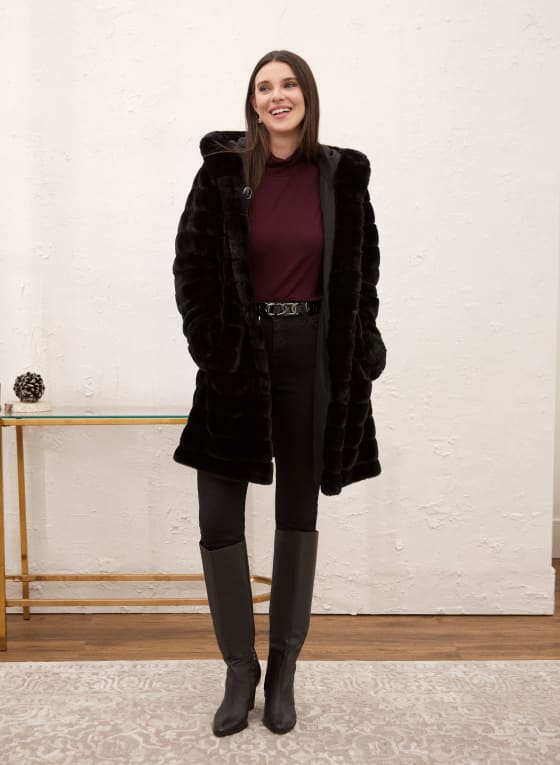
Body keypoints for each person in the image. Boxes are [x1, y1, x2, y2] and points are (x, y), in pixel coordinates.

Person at [172, 49, 387, 737]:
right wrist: (214, 346)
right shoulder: (222, 175)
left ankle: (284, 671)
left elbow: (363, 274)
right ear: (253, 103)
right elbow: (191, 269)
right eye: (264, 87)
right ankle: (240, 670)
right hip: (239, 357)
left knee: (297, 514)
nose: (277, 95)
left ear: (307, 95)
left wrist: (362, 344)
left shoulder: (342, 177)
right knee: (218, 518)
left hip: (312, 355)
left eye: (288, 83)